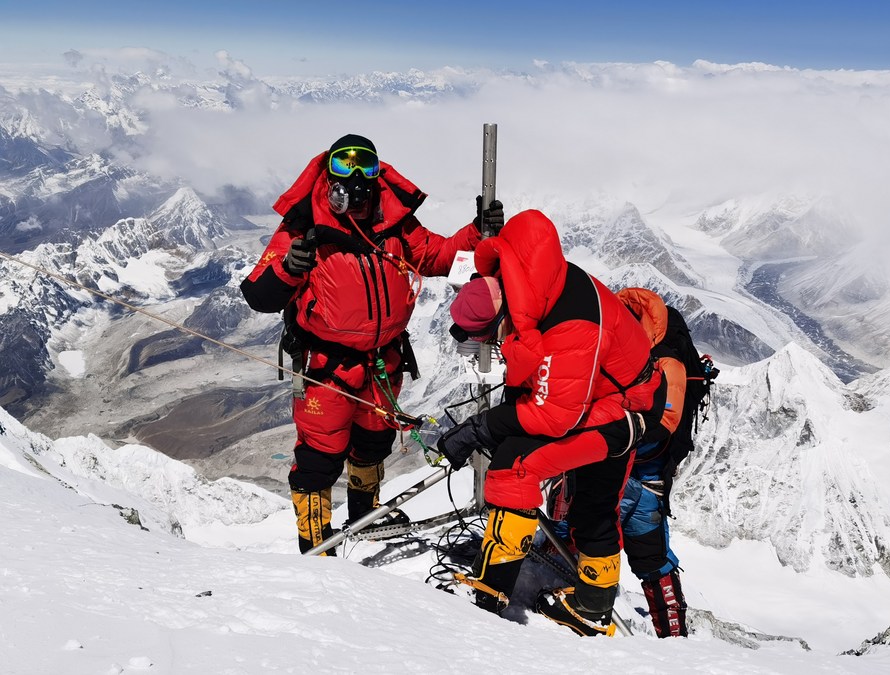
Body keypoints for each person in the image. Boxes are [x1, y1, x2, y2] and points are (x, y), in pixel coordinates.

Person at [240, 133, 502, 554]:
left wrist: (476, 233)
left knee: (373, 443)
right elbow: (259, 295)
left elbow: (437, 256)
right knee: (319, 457)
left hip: (384, 361)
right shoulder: (303, 228)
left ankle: (365, 516)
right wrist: (290, 268)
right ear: (328, 173)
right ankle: (314, 541)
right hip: (328, 365)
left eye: (367, 166)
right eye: (345, 165)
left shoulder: (394, 223)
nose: (357, 176)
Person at [437, 209, 666, 636]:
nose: (494, 345)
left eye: (489, 337)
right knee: (594, 504)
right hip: (609, 397)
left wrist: (482, 427)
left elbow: (555, 415)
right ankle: (592, 607)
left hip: (624, 412)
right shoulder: (534, 283)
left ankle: (489, 590)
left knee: (515, 465)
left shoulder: (570, 326)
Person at [615, 287, 689, 638]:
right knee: (651, 560)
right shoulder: (633, 352)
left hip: (641, 478)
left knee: (652, 560)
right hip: (628, 473)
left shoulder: (666, 363)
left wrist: (613, 434)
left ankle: (675, 641)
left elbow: (666, 425)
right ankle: (673, 637)